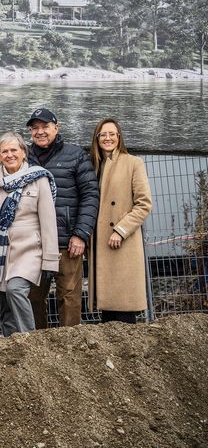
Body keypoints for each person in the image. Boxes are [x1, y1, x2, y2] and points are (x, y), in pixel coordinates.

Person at [0, 132, 59, 337]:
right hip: (0, 253)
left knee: (15, 289)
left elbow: (48, 222)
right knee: (4, 304)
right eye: (4, 151)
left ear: (24, 152)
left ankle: (28, 340)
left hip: (29, 251)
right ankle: (10, 346)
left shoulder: (39, 179)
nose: (9, 155)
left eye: (14, 150)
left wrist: (50, 261)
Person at [26, 108, 99, 328]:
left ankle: (70, 347)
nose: (40, 132)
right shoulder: (23, 157)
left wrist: (80, 234)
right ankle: (38, 345)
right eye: (35, 128)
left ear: (56, 128)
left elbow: (90, 195)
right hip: (34, 243)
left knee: (68, 297)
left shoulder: (75, 154)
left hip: (67, 243)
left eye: (45, 127)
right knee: (33, 297)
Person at [88, 118, 152, 323]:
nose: (107, 138)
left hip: (121, 241)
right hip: (99, 241)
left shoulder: (133, 163)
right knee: (106, 309)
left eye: (112, 134)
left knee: (123, 308)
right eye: (103, 135)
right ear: (97, 139)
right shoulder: (93, 166)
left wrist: (121, 230)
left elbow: (144, 204)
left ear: (119, 137)